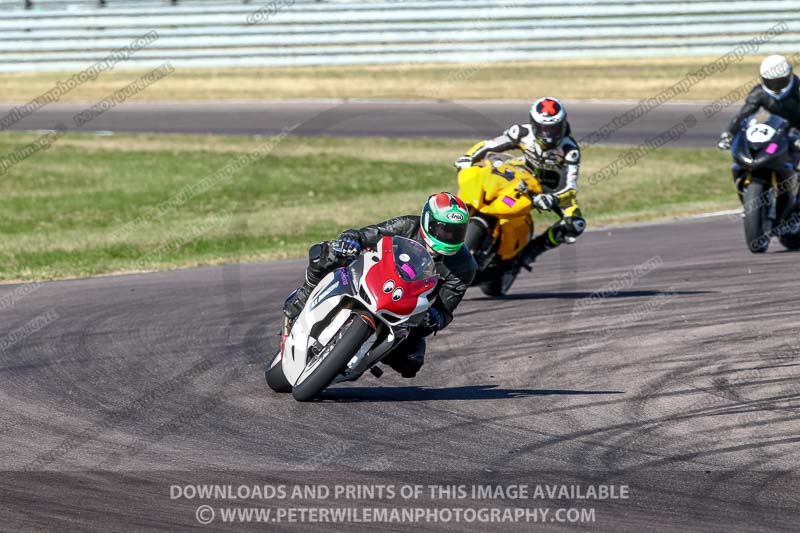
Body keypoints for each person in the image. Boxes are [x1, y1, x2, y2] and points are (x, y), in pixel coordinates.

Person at [282, 192, 477, 378]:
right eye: (443, 229)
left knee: (411, 363)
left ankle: (362, 356)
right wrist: (352, 240)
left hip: (405, 310)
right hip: (371, 278)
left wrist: (435, 319)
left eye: (456, 232)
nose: (448, 236)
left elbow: (445, 310)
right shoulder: (407, 225)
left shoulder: (464, 267)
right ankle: (303, 296)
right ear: (427, 220)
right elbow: (366, 235)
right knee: (325, 254)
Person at [454, 97, 586, 267]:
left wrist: (553, 199)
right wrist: (468, 157)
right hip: (523, 174)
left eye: (552, 129)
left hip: (553, 190)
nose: (547, 134)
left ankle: (533, 249)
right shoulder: (522, 132)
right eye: (543, 128)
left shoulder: (570, 149)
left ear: (562, 125)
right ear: (533, 123)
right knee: (485, 181)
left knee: (576, 224)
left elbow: (571, 187)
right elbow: (489, 145)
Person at [718, 54, 800, 151]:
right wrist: (729, 134)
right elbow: (743, 115)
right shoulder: (759, 93)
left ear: (789, 76)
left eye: (780, 81)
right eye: (771, 82)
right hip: (778, 133)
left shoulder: (797, 89)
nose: (776, 86)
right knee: (768, 152)